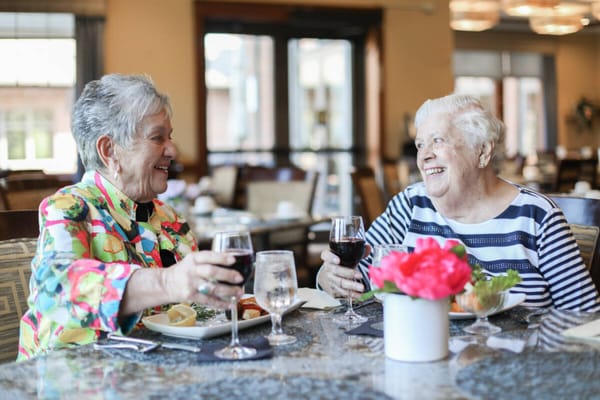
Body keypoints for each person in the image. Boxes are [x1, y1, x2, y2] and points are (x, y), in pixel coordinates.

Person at [17, 74, 244, 361]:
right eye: (157, 137)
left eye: (169, 137)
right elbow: (56, 288)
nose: (173, 150)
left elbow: (194, 313)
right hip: (72, 378)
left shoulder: (171, 219)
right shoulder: (67, 207)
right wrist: (167, 282)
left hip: (159, 373)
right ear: (109, 150)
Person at [318, 94, 600, 311]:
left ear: (482, 151)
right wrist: (330, 277)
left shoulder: (537, 217)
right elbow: (360, 278)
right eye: (420, 145)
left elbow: (584, 316)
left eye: (438, 141)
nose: (424, 155)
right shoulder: (410, 205)